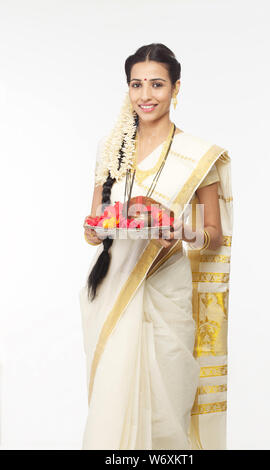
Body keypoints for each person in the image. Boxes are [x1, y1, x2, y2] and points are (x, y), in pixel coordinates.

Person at [79, 43, 233, 450]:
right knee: (114, 393)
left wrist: (185, 232)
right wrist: (93, 232)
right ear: (128, 88)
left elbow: (214, 233)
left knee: (167, 395)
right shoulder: (110, 149)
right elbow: (94, 223)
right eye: (136, 84)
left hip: (167, 285)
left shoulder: (199, 155)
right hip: (113, 284)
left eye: (157, 84)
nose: (146, 95)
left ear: (176, 87)